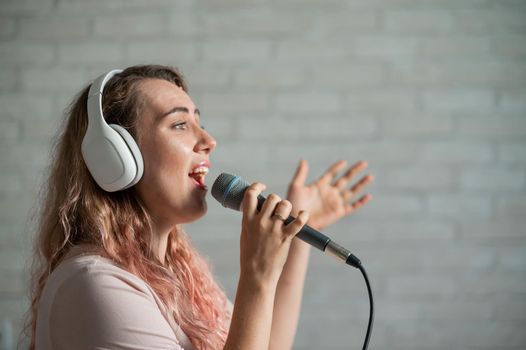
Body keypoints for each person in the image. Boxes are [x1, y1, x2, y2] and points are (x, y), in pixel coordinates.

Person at [27, 65, 373, 350]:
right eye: (180, 124)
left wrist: (294, 235)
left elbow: (268, 345)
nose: (209, 141)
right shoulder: (96, 285)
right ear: (116, 157)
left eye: (200, 123)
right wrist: (256, 277)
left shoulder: (181, 274)